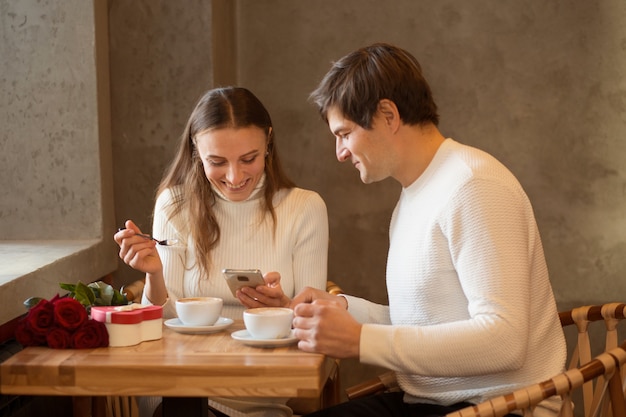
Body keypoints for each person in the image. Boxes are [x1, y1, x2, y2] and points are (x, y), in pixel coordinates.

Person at [290, 43, 567, 417]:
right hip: (435, 403)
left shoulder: (473, 185)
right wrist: (342, 309)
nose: (339, 152)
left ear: (388, 115)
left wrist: (360, 340)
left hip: (503, 407)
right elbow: (427, 323)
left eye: (344, 133)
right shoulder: (414, 197)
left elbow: (505, 340)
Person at [114, 86, 329, 417]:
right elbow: (161, 324)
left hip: (258, 393)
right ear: (196, 151)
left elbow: (313, 328)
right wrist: (153, 275)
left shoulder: (304, 208)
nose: (234, 176)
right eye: (216, 162)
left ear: (268, 142)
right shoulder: (174, 205)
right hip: (177, 389)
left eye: (249, 159)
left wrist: (283, 307)